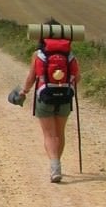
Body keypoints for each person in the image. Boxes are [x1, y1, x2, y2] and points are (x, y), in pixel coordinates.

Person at [17, 18, 80, 183]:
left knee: (49, 135)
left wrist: (24, 92)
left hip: (44, 97)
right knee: (60, 133)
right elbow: (77, 77)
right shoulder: (69, 54)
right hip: (65, 97)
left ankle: (54, 167)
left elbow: (31, 77)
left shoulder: (38, 55)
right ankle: (57, 165)